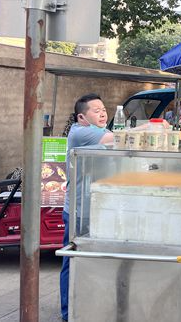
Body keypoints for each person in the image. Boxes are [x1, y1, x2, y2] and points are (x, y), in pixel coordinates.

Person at [60, 94, 113, 322]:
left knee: (91, 260)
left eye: (104, 109)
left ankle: (89, 306)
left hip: (95, 208)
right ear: (82, 117)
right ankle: (68, 312)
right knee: (73, 260)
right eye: (96, 110)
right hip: (79, 211)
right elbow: (120, 138)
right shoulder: (82, 132)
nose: (102, 113)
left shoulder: (96, 131)